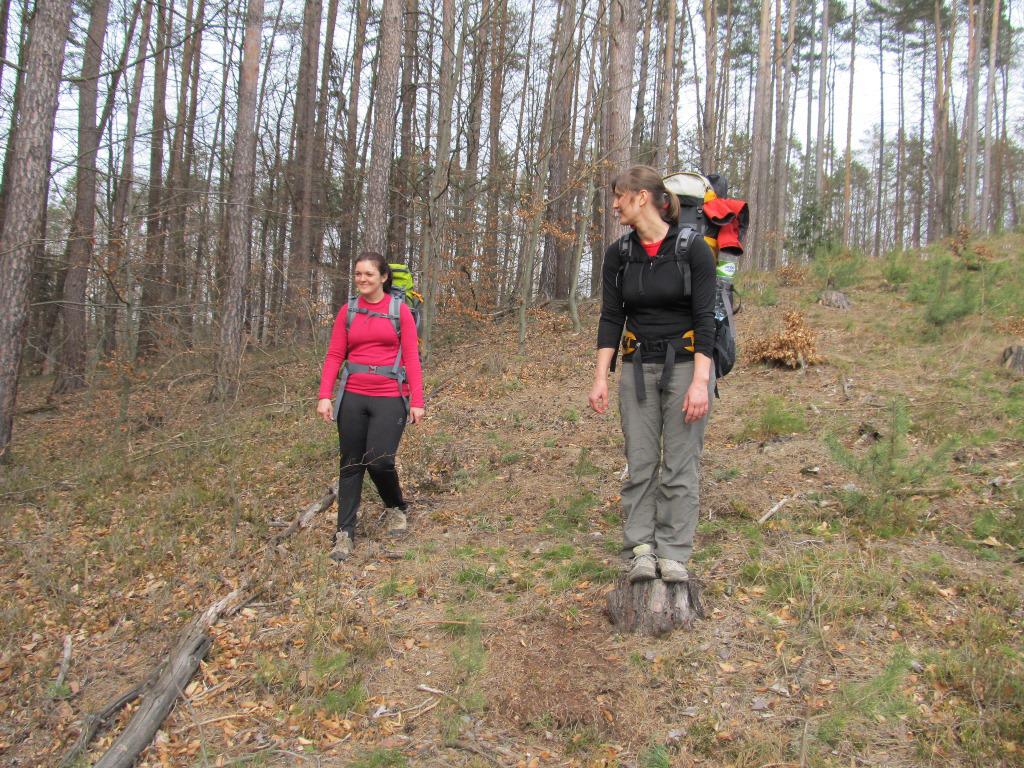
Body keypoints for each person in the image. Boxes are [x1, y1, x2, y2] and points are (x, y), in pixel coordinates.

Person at [588, 165, 716, 584]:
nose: (614, 205)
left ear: (641, 197)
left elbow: (706, 318)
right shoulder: (619, 254)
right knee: (640, 463)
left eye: (619, 196)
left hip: (687, 367)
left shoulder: (693, 249)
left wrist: (700, 383)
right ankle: (641, 549)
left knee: (680, 465)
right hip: (637, 368)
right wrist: (601, 377)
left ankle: (674, 552)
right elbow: (611, 317)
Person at [317, 252, 425, 562]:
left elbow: (411, 357)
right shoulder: (348, 311)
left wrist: (417, 401)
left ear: (383, 277)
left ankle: (396, 507)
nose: (362, 279)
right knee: (351, 464)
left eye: (368, 274)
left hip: (390, 395)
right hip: (352, 395)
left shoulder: (399, 311)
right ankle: (344, 533)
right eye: (358, 274)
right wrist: (325, 395)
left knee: (379, 461)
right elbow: (334, 355)